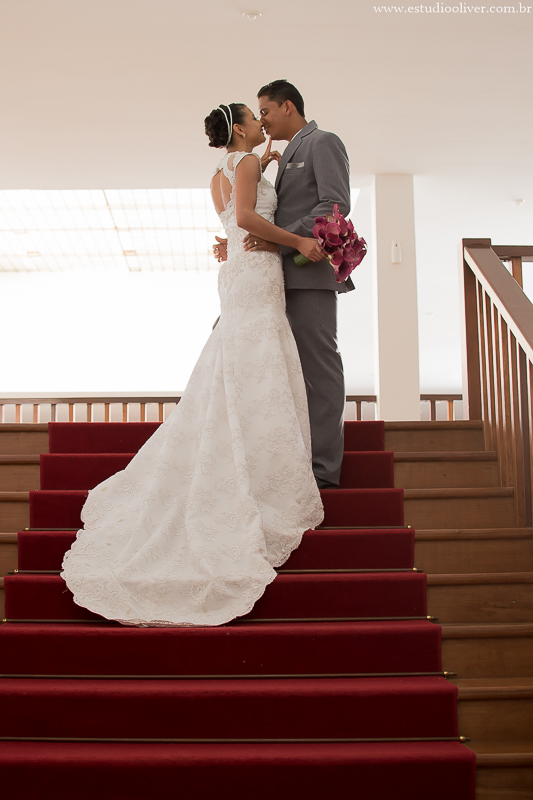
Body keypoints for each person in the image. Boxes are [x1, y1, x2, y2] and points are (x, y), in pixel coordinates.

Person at [60, 102, 324, 628]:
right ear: (241, 128)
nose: (261, 123)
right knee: (259, 353)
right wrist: (299, 240)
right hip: (258, 267)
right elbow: (246, 218)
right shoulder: (245, 164)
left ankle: (242, 439)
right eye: (254, 117)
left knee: (242, 355)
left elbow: (234, 215)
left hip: (238, 269)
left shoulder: (221, 171)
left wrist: (265, 162)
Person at [215, 80, 352, 489]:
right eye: (256, 114)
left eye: (266, 111)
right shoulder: (279, 155)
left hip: (308, 275)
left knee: (318, 369)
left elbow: (335, 205)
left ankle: (324, 472)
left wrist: (283, 238)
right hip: (272, 278)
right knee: (275, 370)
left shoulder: (322, 142)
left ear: (287, 106)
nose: (262, 120)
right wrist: (239, 239)